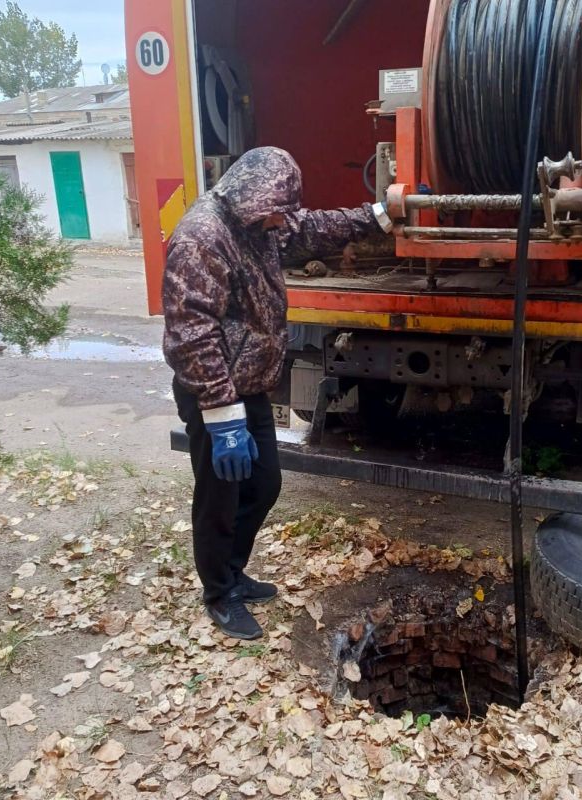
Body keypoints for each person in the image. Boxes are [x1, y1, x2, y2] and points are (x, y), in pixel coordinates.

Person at [163, 147, 391, 639]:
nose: (281, 220)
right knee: (218, 498)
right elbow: (190, 334)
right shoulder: (202, 238)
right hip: (214, 396)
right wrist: (222, 418)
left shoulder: (258, 222)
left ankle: (233, 571)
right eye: (276, 210)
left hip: (251, 388)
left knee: (264, 485)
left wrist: (381, 215)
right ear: (249, 195)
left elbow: (313, 227)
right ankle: (219, 594)